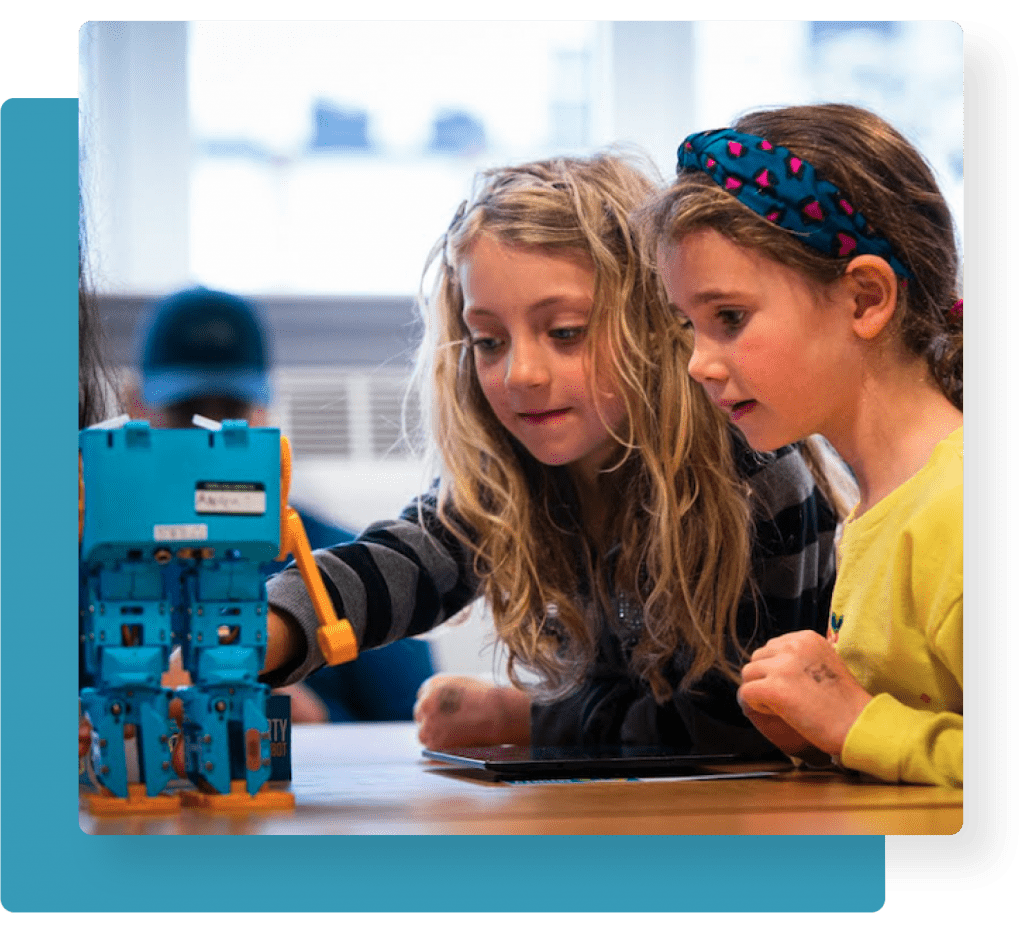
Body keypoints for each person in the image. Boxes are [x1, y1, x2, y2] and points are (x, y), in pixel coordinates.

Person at [261, 151, 849, 757]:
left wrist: (524, 717)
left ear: (655, 322)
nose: (521, 374)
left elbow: (738, 726)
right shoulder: (515, 474)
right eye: (488, 342)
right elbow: (401, 563)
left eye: (565, 332)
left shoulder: (751, 476)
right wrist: (259, 631)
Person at [640, 103, 962, 786]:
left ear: (864, 300)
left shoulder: (956, 515)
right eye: (689, 325)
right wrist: (822, 734)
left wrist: (857, 723)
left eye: (729, 317)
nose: (698, 362)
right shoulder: (884, 502)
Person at [128, 286, 436, 723]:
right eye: (188, 412)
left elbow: (421, 725)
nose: (210, 436)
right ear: (134, 407)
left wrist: (311, 720)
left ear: (264, 410)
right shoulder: (97, 567)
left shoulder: (342, 562)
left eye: (231, 412)